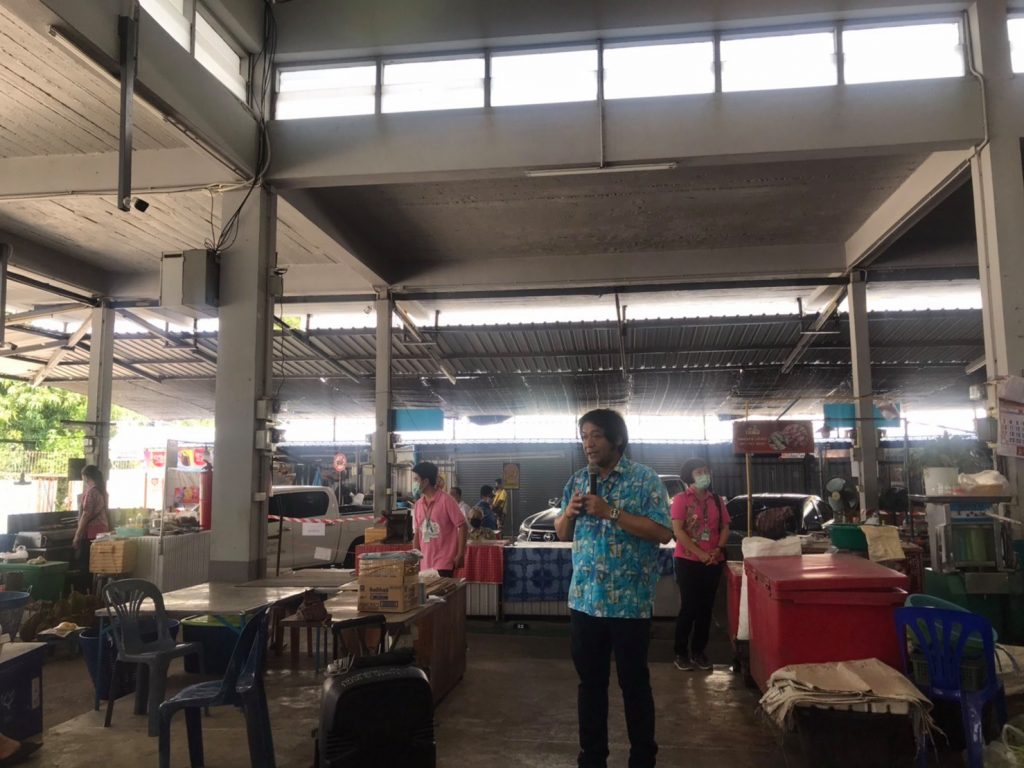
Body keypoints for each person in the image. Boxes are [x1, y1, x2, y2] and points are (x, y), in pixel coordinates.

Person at [554, 409, 673, 768]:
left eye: (596, 436)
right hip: (585, 603)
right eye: (584, 437)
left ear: (617, 439)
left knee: (634, 686)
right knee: (590, 687)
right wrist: (569, 513)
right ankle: (592, 758)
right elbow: (562, 533)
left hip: (629, 605)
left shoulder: (644, 479)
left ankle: (642, 758)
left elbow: (663, 533)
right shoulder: (578, 480)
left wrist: (612, 512)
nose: (588, 444)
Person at [671, 457, 730, 673]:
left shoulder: (717, 500)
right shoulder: (681, 500)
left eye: (706, 471)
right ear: (690, 476)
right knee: (689, 607)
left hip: (713, 560)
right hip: (688, 561)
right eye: (699, 472)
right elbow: (678, 531)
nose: (704, 475)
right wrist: (700, 554)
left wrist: (718, 549)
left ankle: (699, 651)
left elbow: (725, 527)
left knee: (706, 608)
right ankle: (680, 652)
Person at [411, 461, 466, 577]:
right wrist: (415, 557)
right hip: (424, 563)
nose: (414, 483)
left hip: (444, 563)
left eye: (416, 479)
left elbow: (462, 525)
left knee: (440, 589)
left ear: (425, 481)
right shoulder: (418, 504)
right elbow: (417, 532)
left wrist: (460, 554)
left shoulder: (447, 500)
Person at [73, 464, 110, 590]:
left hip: (91, 534)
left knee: (86, 566)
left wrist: (77, 535)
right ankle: (95, 594)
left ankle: (86, 593)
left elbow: (86, 514)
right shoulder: (102, 491)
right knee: (97, 566)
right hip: (102, 532)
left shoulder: (91, 492)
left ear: (86, 477)